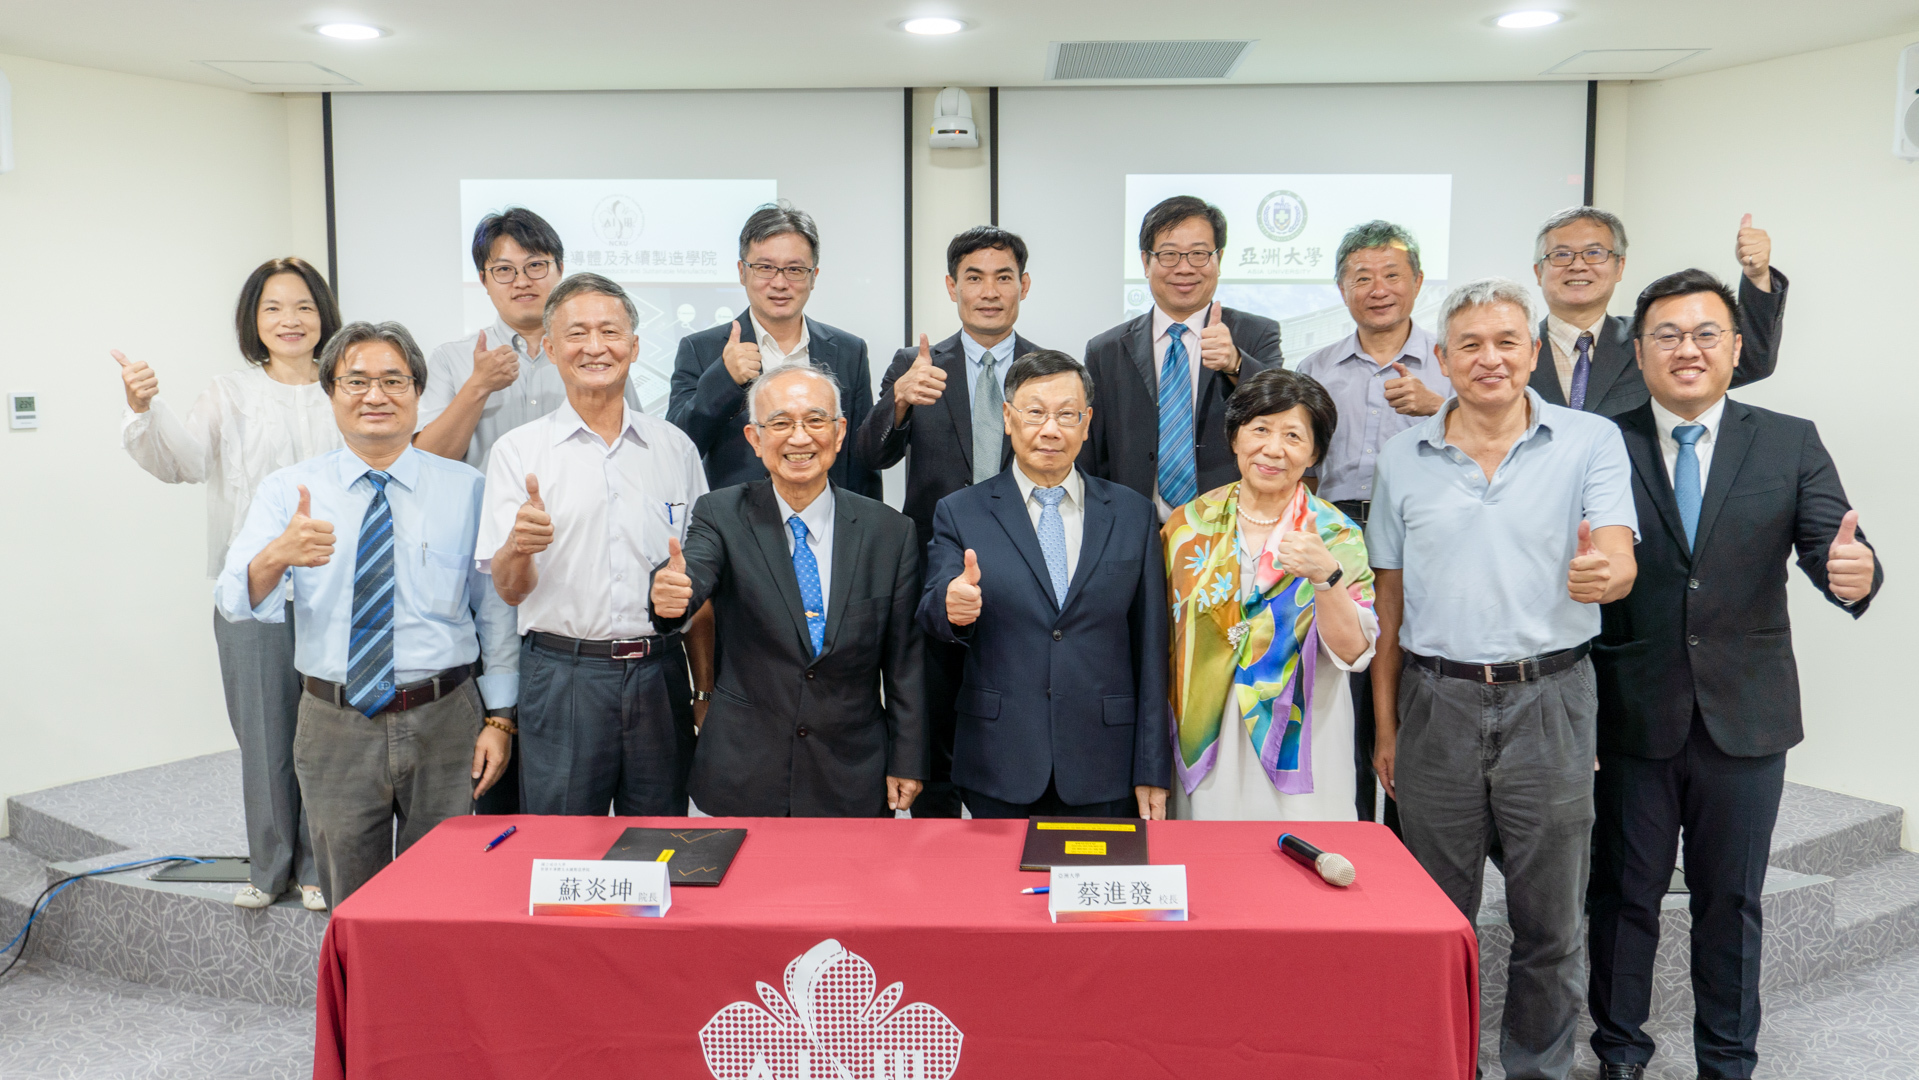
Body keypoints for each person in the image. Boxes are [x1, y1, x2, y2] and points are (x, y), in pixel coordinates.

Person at [1585, 270, 1883, 1080]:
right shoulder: (1597, 441)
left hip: (1745, 716)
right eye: (1667, 336)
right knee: (1620, 900)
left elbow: (1835, 545)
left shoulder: (1787, 439)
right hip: (1627, 712)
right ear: (1638, 350)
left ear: (1735, 347)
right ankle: (1619, 1055)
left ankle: (1727, 1060)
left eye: (1704, 333)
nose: (1687, 350)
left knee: (1732, 902)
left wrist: (1853, 574)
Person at [1367, 279, 1638, 1080]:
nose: (1491, 358)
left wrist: (1606, 574)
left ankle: (1539, 1069)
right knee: (1433, 918)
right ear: (1443, 360)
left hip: (1549, 696)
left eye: (1507, 342)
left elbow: (1616, 553)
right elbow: (1387, 599)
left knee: (1549, 924)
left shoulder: (1588, 440)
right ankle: (1442, 1064)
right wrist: (1385, 728)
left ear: (1531, 351)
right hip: (1433, 700)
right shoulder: (1401, 456)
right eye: (1472, 346)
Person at [216, 321, 518, 906]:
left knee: (445, 897)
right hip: (335, 723)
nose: (374, 395)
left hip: (447, 717)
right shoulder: (289, 490)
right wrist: (278, 555)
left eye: (392, 380)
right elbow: (234, 598)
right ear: (330, 391)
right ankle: (361, 1001)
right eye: (355, 381)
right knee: (351, 902)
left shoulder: (467, 488)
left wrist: (500, 718)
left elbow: (496, 614)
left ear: (416, 392)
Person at [115, 256, 343, 911]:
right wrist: (143, 406)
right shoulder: (229, 392)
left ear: (323, 313)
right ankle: (271, 867)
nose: (290, 320)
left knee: (330, 734)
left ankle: (321, 866)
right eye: (273, 308)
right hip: (255, 591)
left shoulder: (346, 385)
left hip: (337, 593)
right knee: (265, 734)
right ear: (254, 320)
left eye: (302, 306)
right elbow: (181, 460)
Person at [479, 274, 712, 816]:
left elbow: (701, 588)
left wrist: (704, 690)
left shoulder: (674, 449)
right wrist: (518, 546)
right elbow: (510, 592)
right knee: (561, 844)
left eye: (610, 331)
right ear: (554, 348)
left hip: (659, 674)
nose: (594, 346)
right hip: (564, 676)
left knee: (659, 845)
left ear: (634, 346)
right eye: (577, 333)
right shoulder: (519, 452)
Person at [648, 363, 925, 817]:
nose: (799, 438)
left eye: (815, 421)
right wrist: (673, 593)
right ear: (755, 440)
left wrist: (908, 760)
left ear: (839, 433)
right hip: (744, 770)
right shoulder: (721, 513)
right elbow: (693, 571)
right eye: (779, 423)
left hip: (853, 770)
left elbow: (905, 662)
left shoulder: (889, 531)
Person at [918, 351, 1170, 820]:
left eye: (1066, 414)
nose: (1050, 429)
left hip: (1106, 762)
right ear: (1008, 418)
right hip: (1000, 760)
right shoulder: (962, 510)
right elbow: (934, 607)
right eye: (1034, 412)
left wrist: (1152, 766)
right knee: (997, 893)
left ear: (1087, 422)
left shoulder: (1133, 513)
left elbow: (1152, 647)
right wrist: (953, 607)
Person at [856, 225, 1045, 818]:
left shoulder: (1046, 370)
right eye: (973, 277)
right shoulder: (912, 364)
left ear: (1024, 286)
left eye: (1003, 277)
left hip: (1026, 570)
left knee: (1012, 707)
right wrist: (901, 400)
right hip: (935, 569)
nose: (989, 291)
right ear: (950, 286)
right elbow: (870, 454)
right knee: (933, 712)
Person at [1292, 220, 1450, 832]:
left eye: (1391, 275)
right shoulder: (1317, 366)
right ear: (1341, 288)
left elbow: (1497, 437)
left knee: (1416, 688)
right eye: (1362, 277)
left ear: (1416, 283)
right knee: (1345, 693)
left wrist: (1442, 408)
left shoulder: (1448, 363)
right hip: (1340, 541)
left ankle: (1418, 853)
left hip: (1426, 546)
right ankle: (1352, 840)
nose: (1377, 288)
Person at [1165, 369, 1377, 820]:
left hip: (1304, 738)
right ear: (1235, 438)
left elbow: (1354, 652)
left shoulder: (1336, 533)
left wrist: (1326, 577)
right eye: (1260, 429)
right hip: (1207, 733)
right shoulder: (1187, 525)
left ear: (1314, 452)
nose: (1273, 449)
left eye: (1293, 436)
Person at [1080, 195, 1283, 520]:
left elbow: (1282, 415)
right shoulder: (1105, 350)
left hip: (1230, 528)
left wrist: (1236, 364)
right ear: (1146, 262)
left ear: (1219, 258)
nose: (1185, 268)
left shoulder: (1255, 334)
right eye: (1170, 255)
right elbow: (1091, 453)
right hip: (1133, 528)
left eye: (1199, 254)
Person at [669, 203, 880, 498]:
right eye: (765, 268)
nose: (779, 283)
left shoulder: (848, 350)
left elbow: (860, 458)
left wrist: (867, 533)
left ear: (813, 276)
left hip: (829, 524)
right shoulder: (701, 349)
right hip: (737, 526)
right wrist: (724, 379)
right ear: (742, 272)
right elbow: (677, 447)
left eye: (794, 270)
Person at [417, 207, 645, 468]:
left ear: (560, 269)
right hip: (484, 508)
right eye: (504, 269)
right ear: (483, 280)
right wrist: (478, 386)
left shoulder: (597, 355)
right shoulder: (451, 358)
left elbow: (634, 446)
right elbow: (427, 462)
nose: (522, 281)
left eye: (535, 265)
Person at [1530, 207, 1787, 416]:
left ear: (1619, 266)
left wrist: (1757, 276)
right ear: (1538, 272)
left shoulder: (1655, 340)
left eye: (1593, 253)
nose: (1578, 265)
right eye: (1561, 255)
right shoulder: (1513, 349)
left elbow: (1753, 360)